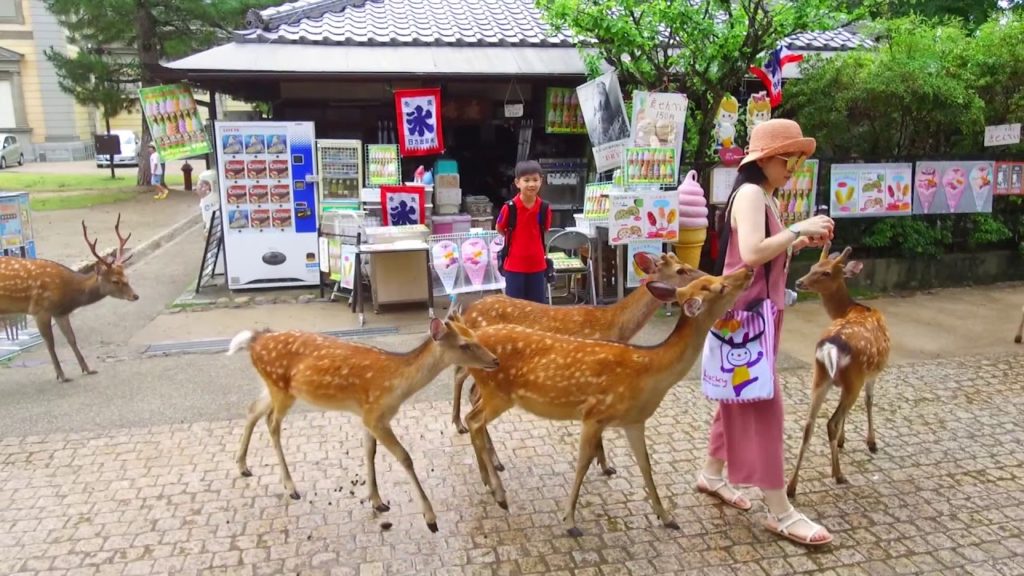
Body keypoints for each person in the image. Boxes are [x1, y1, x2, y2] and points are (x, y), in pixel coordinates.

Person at [696, 118, 837, 546]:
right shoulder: (754, 194)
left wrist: (795, 242)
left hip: (755, 316)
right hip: (748, 320)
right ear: (766, 159)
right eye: (787, 158)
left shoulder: (764, 196)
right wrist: (798, 230)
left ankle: (710, 474)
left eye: (795, 158)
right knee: (763, 405)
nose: (793, 166)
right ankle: (781, 511)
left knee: (736, 397)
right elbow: (754, 252)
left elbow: (757, 250)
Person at [495, 160, 552, 304]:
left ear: (541, 181)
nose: (531, 184)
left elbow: (545, 229)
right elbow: (499, 228)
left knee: (537, 309)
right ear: (517, 182)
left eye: (535, 180)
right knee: (515, 309)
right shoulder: (509, 208)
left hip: (538, 266)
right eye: (526, 180)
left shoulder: (545, 208)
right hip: (514, 266)